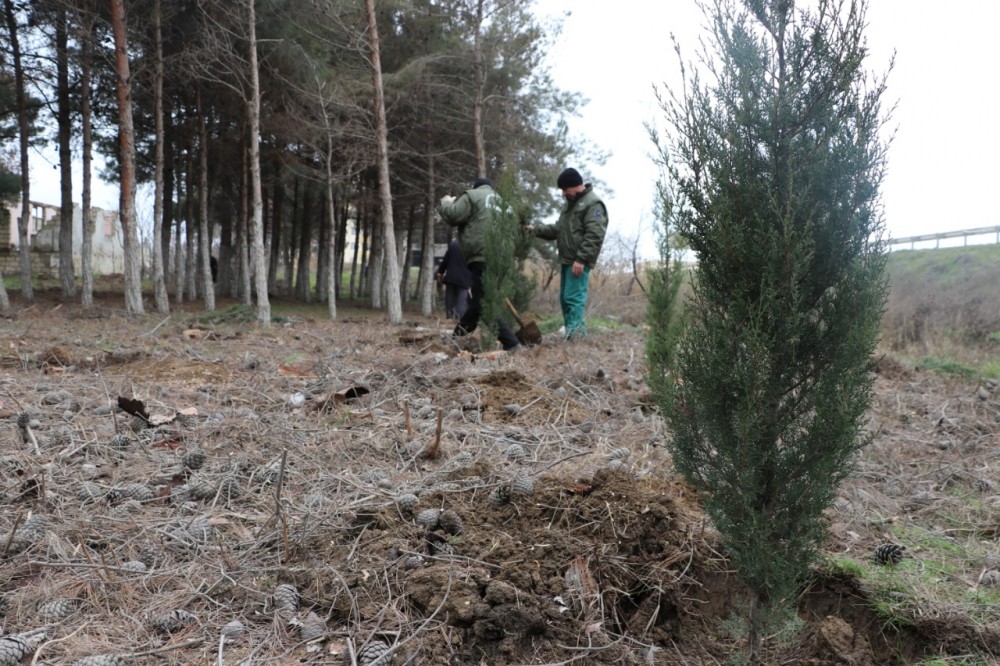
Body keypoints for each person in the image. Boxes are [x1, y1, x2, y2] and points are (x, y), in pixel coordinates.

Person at [438, 177, 521, 351]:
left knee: (483, 305)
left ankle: (511, 343)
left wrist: (445, 203)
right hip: (503, 259)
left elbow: (453, 216)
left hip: (482, 255)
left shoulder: (472, 195)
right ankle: (456, 338)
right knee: (478, 301)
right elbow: (515, 232)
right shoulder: (505, 203)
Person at [527, 167, 608, 339]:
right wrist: (535, 230)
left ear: (575, 185)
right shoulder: (570, 205)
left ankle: (576, 336)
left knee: (573, 299)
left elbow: (595, 235)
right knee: (566, 300)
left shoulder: (593, 204)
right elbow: (558, 229)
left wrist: (581, 259)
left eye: (565, 189)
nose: (563, 194)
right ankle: (573, 333)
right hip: (566, 260)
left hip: (577, 261)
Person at [435, 239, 472, 320]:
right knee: (461, 303)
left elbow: (445, 260)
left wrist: (440, 272)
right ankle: (458, 321)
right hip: (464, 279)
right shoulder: (471, 245)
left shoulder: (454, 244)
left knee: (449, 301)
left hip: (451, 277)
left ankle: (449, 319)